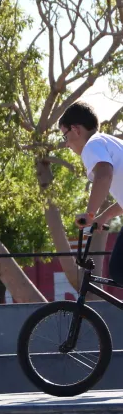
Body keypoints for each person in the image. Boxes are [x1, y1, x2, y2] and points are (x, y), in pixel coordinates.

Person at [58, 101, 123, 284]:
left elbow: (104, 175)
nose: (67, 144)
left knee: (119, 269)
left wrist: (89, 214)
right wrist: (104, 216)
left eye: (65, 136)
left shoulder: (91, 146)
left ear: (76, 129)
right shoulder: (108, 142)